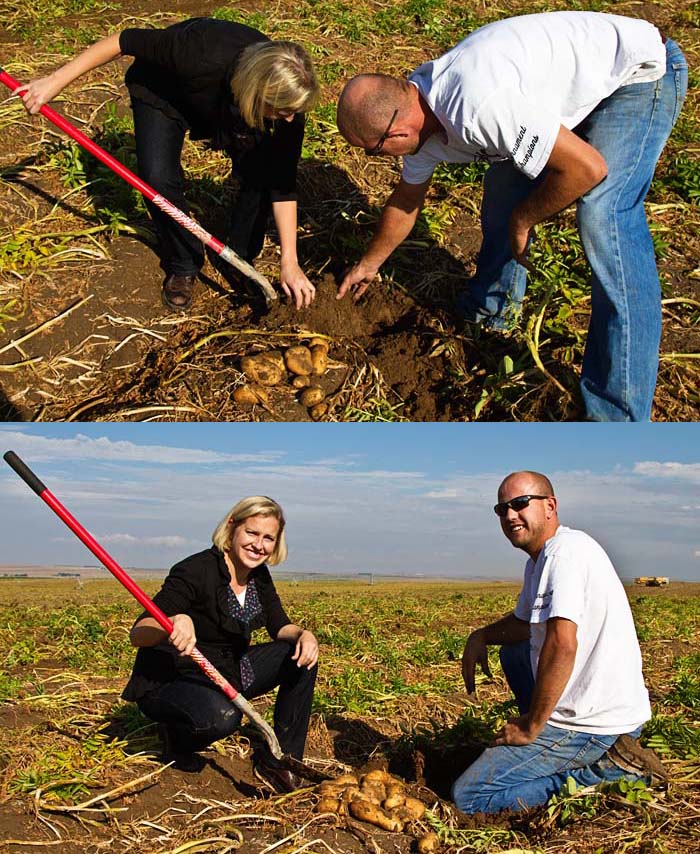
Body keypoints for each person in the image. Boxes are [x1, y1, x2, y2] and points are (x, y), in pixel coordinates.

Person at [335, 11, 688, 421]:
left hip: (638, 74)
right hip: (567, 88)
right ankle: (494, 310)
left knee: (604, 215)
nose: (374, 159)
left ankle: (619, 415)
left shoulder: (478, 105)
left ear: (395, 134)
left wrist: (524, 220)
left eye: (371, 151)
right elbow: (407, 198)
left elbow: (586, 169)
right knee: (505, 184)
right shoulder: (420, 117)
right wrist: (369, 263)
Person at [17, 17, 320, 311]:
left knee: (262, 175)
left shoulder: (287, 106)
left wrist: (289, 262)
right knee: (157, 177)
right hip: (165, 92)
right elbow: (123, 40)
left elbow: (282, 183)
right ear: (257, 92)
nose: (291, 118)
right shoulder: (196, 51)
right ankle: (184, 261)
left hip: (235, 105)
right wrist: (53, 83)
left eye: (293, 111)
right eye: (283, 111)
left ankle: (240, 256)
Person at [453, 470, 666, 813]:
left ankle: (610, 774)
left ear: (550, 506)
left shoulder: (564, 554)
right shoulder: (541, 560)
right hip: (603, 711)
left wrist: (532, 726)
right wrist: (481, 637)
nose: (510, 515)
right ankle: (549, 740)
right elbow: (524, 625)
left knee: (469, 797)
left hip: (594, 724)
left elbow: (563, 643)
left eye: (521, 503)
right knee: (514, 653)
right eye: (501, 509)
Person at [121, 496, 319, 793]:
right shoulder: (196, 570)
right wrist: (175, 620)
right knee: (224, 717)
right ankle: (176, 738)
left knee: (300, 656)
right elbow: (139, 632)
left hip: (228, 668)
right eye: (252, 533)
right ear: (232, 527)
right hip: (175, 678)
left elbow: (280, 626)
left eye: (268, 538)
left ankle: (280, 760)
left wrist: (304, 634)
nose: (259, 545)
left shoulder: (258, 576)